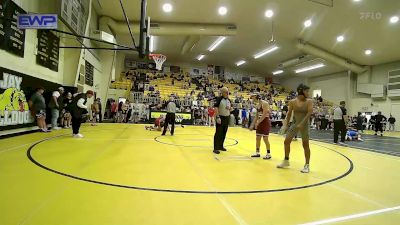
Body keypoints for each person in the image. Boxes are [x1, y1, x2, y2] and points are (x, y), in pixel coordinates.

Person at [278, 84, 313, 173]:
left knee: (305, 145)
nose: (308, 93)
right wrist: (285, 125)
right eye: (307, 91)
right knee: (286, 141)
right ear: (301, 91)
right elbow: (289, 114)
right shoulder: (293, 102)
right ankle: (286, 161)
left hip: (304, 125)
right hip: (295, 124)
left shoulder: (309, 101)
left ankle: (307, 165)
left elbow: (309, 113)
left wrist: (302, 123)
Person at [250, 94, 272, 160]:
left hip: (265, 122)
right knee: (258, 138)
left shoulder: (265, 103)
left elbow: (265, 114)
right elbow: (257, 116)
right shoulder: (257, 105)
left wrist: (258, 122)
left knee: (265, 138)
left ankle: (268, 154)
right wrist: (252, 124)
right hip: (260, 121)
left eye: (253, 97)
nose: (252, 99)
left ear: (257, 97)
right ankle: (257, 152)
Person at [213, 87, 232, 154]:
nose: (227, 93)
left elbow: (230, 109)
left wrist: (229, 108)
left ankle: (221, 146)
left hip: (227, 117)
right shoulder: (219, 99)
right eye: (226, 92)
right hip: (220, 117)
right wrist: (218, 117)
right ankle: (215, 148)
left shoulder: (229, 100)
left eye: (228, 92)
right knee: (218, 133)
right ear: (223, 92)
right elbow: (215, 107)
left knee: (224, 132)